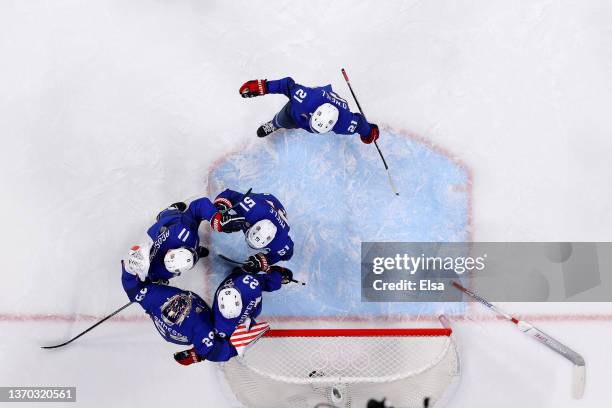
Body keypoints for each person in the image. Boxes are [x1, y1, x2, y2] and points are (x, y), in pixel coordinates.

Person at [121, 260, 236, 365]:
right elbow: (213, 351)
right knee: (220, 331)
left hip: (166, 328)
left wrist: (129, 269)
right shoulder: (198, 324)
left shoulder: (156, 298)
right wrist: (236, 347)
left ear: (167, 302)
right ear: (186, 315)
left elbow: (132, 288)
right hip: (179, 334)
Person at [239, 76, 379, 144]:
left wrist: (369, 132)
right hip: (298, 111)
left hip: (331, 105)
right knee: (283, 119)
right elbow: (285, 84)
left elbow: (360, 123)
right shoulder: (305, 98)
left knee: (293, 120)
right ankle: (274, 124)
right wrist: (263, 86)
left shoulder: (345, 123)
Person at [123, 199, 216, 283]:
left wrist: (215, 217)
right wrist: (157, 281)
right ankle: (198, 252)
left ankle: (168, 211)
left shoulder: (182, 233)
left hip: (171, 227)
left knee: (171, 219)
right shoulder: (162, 272)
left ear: (170, 251)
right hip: (172, 240)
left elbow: (197, 208)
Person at [211, 189, 294, 273]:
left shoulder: (280, 243)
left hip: (279, 219)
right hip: (265, 200)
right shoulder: (252, 209)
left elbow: (287, 254)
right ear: (252, 226)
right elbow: (228, 194)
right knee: (244, 202)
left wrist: (263, 260)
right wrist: (222, 211)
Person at [213, 266, 293, 340]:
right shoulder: (247, 286)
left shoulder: (223, 328)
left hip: (243, 283)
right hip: (244, 284)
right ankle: (249, 269)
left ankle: (248, 269)